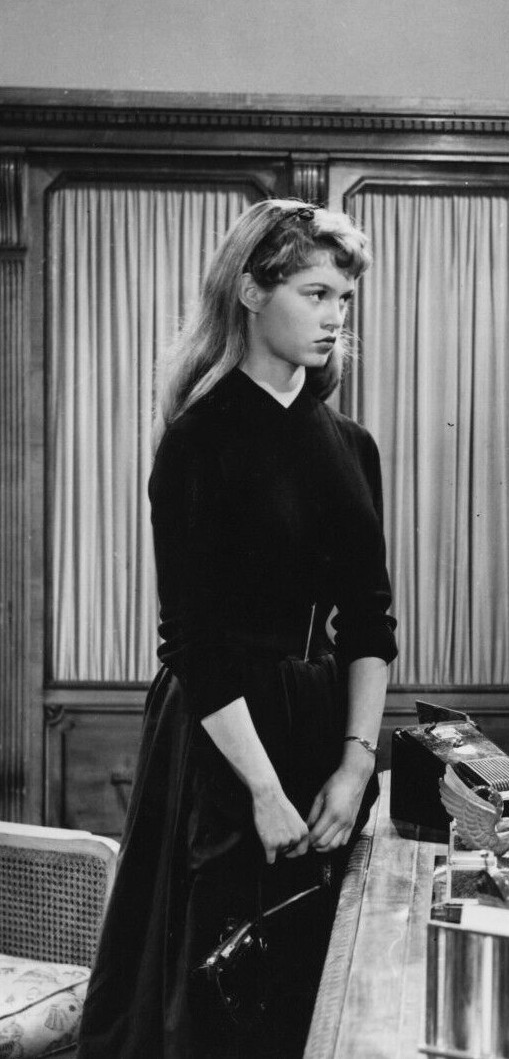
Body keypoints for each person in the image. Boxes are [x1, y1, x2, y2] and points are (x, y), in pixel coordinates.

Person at [78, 199, 398, 1059]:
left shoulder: (352, 445)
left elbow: (371, 623)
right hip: (225, 741)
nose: (334, 317)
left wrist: (354, 765)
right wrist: (262, 790)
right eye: (314, 294)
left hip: (322, 727)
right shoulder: (198, 441)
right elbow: (194, 642)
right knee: (216, 988)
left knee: (317, 980)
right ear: (251, 293)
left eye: (343, 299)